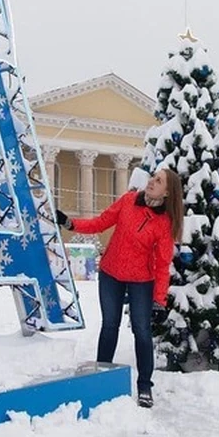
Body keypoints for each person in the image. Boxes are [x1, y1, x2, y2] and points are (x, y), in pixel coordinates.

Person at [55, 168, 184, 409]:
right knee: (109, 326)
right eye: (153, 177)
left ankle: (144, 385)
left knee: (142, 332)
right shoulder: (128, 201)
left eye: (158, 181)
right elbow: (100, 222)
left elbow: (162, 263)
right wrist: (70, 223)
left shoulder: (163, 223)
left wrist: (159, 299)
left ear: (168, 193)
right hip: (111, 273)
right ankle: (101, 378)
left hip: (141, 281)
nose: (152, 182)